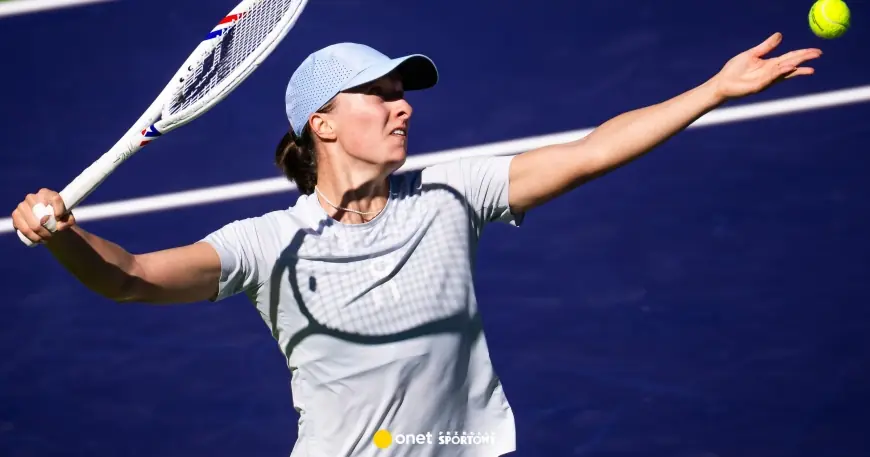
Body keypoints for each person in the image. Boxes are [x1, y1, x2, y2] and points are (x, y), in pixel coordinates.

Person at [11, 33, 820, 456]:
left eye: (405, 97)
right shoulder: (267, 245)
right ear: (320, 124)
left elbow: (591, 149)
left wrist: (713, 89)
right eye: (380, 96)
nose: (403, 109)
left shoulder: (449, 195)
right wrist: (67, 237)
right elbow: (134, 278)